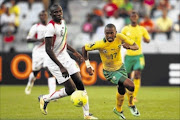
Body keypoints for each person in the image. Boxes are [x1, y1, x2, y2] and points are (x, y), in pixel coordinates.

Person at [38, 4, 98, 119]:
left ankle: (87, 115)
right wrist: (61, 66)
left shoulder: (63, 22)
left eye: (59, 11)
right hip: (54, 60)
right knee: (70, 89)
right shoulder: (50, 27)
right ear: (51, 15)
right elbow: (48, 50)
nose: (58, 14)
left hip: (64, 56)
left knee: (80, 83)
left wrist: (74, 52)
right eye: (55, 12)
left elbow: (63, 42)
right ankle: (45, 98)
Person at [82, 23, 140, 119]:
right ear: (104, 33)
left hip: (121, 68)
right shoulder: (100, 44)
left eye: (111, 33)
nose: (109, 35)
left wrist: (129, 47)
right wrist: (88, 65)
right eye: (107, 33)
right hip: (109, 72)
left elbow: (136, 46)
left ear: (115, 33)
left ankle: (118, 110)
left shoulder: (120, 37)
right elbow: (84, 48)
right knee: (131, 85)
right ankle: (131, 104)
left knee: (122, 89)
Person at [25, 10, 56, 95]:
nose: (43, 17)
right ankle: (30, 83)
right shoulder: (36, 26)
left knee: (50, 70)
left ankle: (52, 93)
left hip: (48, 51)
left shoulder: (51, 26)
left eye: (45, 15)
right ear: (40, 17)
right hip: (38, 51)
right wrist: (38, 40)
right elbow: (28, 39)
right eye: (41, 15)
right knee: (35, 71)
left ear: (47, 16)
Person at [121, 11, 150, 102]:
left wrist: (146, 39)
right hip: (129, 56)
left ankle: (134, 96)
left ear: (137, 18)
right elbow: (121, 39)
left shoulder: (142, 29)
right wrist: (124, 43)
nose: (134, 17)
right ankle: (128, 93)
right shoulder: (125, 29)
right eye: (132, 16)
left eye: (135, 16)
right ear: (130, 18)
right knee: (128, 77)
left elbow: (148, 40)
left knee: (137, 74)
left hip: (138, 56)